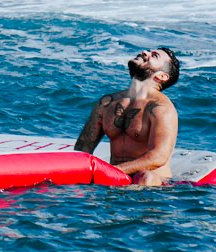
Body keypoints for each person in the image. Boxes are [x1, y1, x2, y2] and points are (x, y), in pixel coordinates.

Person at [74, 47, 180, 186]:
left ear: (161, 76)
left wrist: (110, 171)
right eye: (148, 51)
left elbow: (158, 157)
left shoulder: (160, 108)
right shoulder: (107, 103)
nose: (144, 52)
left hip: (152, 182)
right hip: (115, 178)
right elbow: (83, 148)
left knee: (145, 177)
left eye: (154, 56)